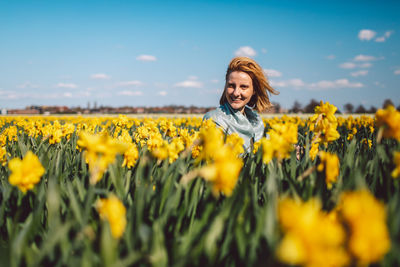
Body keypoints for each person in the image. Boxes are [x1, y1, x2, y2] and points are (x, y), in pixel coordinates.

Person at [203, 57, 279, 152]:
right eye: (231, 86)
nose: (236, 93)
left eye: (243, 87)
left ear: (254, 90)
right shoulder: (213, 119)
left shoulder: (256, 121)